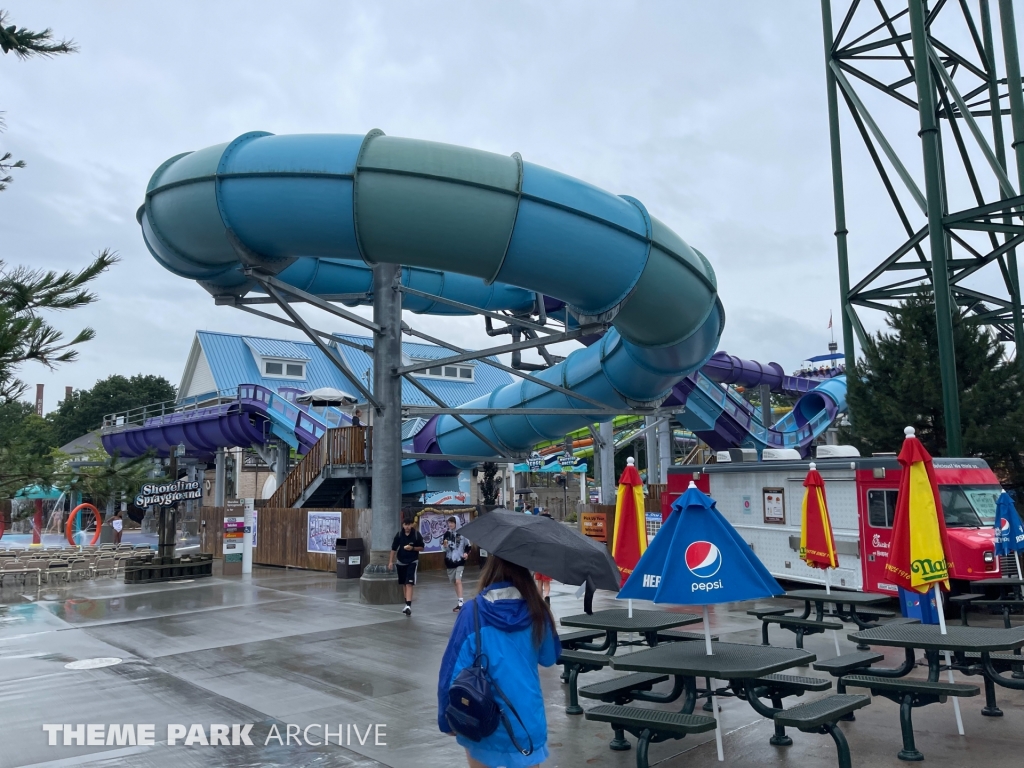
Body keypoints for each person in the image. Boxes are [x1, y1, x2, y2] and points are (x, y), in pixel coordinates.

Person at [437, 555, 559, 768]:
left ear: (490, 569)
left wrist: (445, 718)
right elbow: (549, 657)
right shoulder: (537, 611)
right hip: (526, 721)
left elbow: (451, 669)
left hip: (481, 721)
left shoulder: (472, 612)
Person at [389, 516, 424, 615]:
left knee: (409, 583)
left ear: (412, 524)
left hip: (412, 561)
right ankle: (406, 604)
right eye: (405, 525)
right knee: (404, 583)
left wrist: (412, 548)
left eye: (409, 524)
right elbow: (393, 549)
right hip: (400, 561)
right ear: (403, 525)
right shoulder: (399, 535)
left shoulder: (416, 535)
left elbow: (422, 548)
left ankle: (409, 605)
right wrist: (391, 561)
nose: (407, 527)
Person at [442, 516, 472, 612]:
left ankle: (460, 602)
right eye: (449, 522)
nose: (450, 524)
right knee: (455, 582)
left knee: (458, 581)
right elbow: (444, 549)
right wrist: (445, 546)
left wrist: (466, 553)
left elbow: (468, 546)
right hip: (449, 561)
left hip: (460, 561)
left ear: (457, 523)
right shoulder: (446, 534)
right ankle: (460, 602)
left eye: (452, 522)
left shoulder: (463, 533)